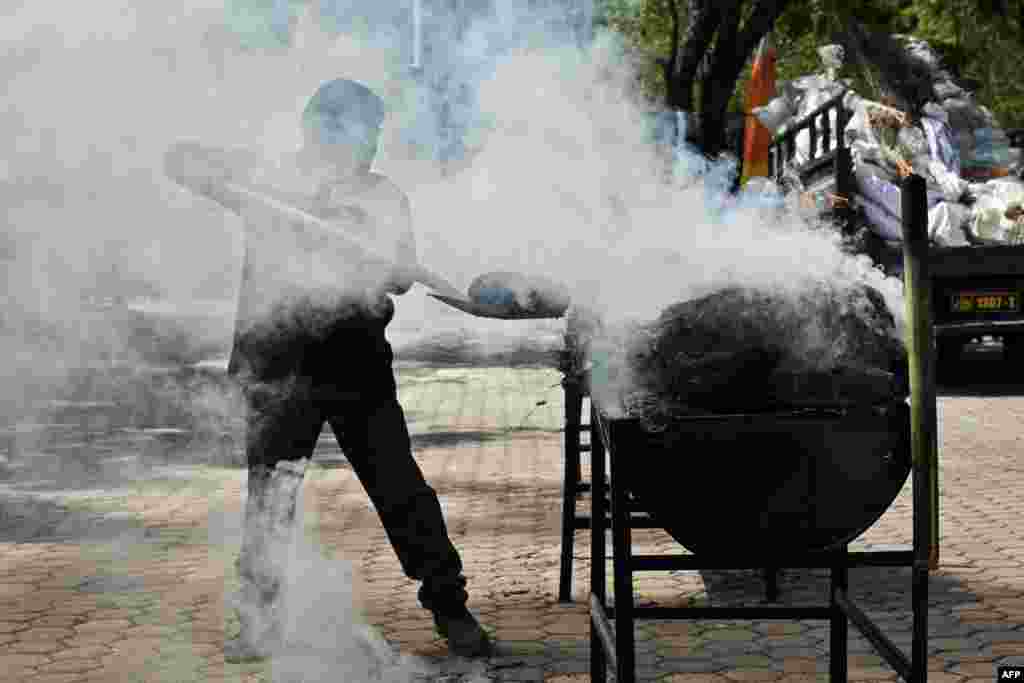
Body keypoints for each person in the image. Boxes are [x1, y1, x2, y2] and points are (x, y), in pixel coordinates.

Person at [164, 78, 492, 660]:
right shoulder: (269, 182)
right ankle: (257, 620)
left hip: (356, 359)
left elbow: (397, 275)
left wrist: (369, 246)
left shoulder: (382, 195)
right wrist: (211, 175)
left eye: (373, 134)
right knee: (272, 495)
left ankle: (450, 605)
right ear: (319, 131)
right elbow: (181, 160)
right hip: (279, 360)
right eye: (360, 132)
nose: (370, 145)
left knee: (400, 489)